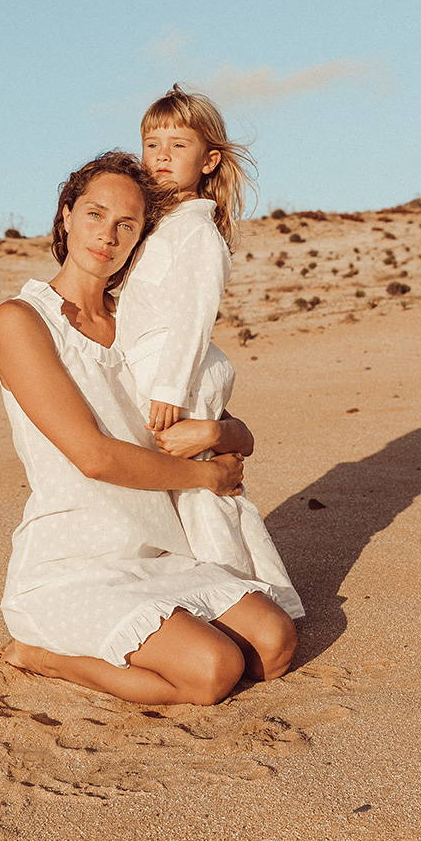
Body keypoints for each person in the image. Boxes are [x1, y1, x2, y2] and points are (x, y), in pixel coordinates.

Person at [0, 150, 298, 706]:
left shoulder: (145, 325)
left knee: (274, 647)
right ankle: (45, 654)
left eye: (126, 225)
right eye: (94, 214)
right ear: (65, 214)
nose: (106, 235)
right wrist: (205, 478)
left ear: (140, 239)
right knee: (211, 672)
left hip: (160, 549)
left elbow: (235, 432)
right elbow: (94, 457)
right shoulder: (21, 320)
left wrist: (217, 439)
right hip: (75, 560)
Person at [116, 86, 304, 619]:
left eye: (179, 145)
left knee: (200, 491)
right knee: (172, 489)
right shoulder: (160, 226)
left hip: (177, 377)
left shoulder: (196, 231)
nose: (162, 157)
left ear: (210, 159)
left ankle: (233, 594)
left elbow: (193, 319)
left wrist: (170, 389)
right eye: (153, 144)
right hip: (153, 372)